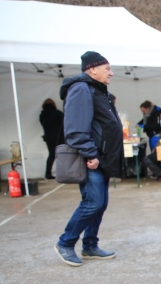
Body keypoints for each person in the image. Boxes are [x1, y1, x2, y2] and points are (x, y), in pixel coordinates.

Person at [54, 51, 123, 267]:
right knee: (93, 202)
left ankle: (90, 246)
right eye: (107, 69)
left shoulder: (97, 90)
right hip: (91, 159)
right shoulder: (81, 89)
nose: (111, 74)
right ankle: (65, 243)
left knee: (100, 204)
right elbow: (75, 129)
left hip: (101, 159)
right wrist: (90, 154)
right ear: (92, 69)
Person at [39, 98, 64, 180]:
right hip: (59, 137)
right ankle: (63, 172)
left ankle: (48, 173)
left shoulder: (42, 115)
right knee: (62, 155)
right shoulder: (58, 113)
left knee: (51, 155)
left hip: (48, 137)